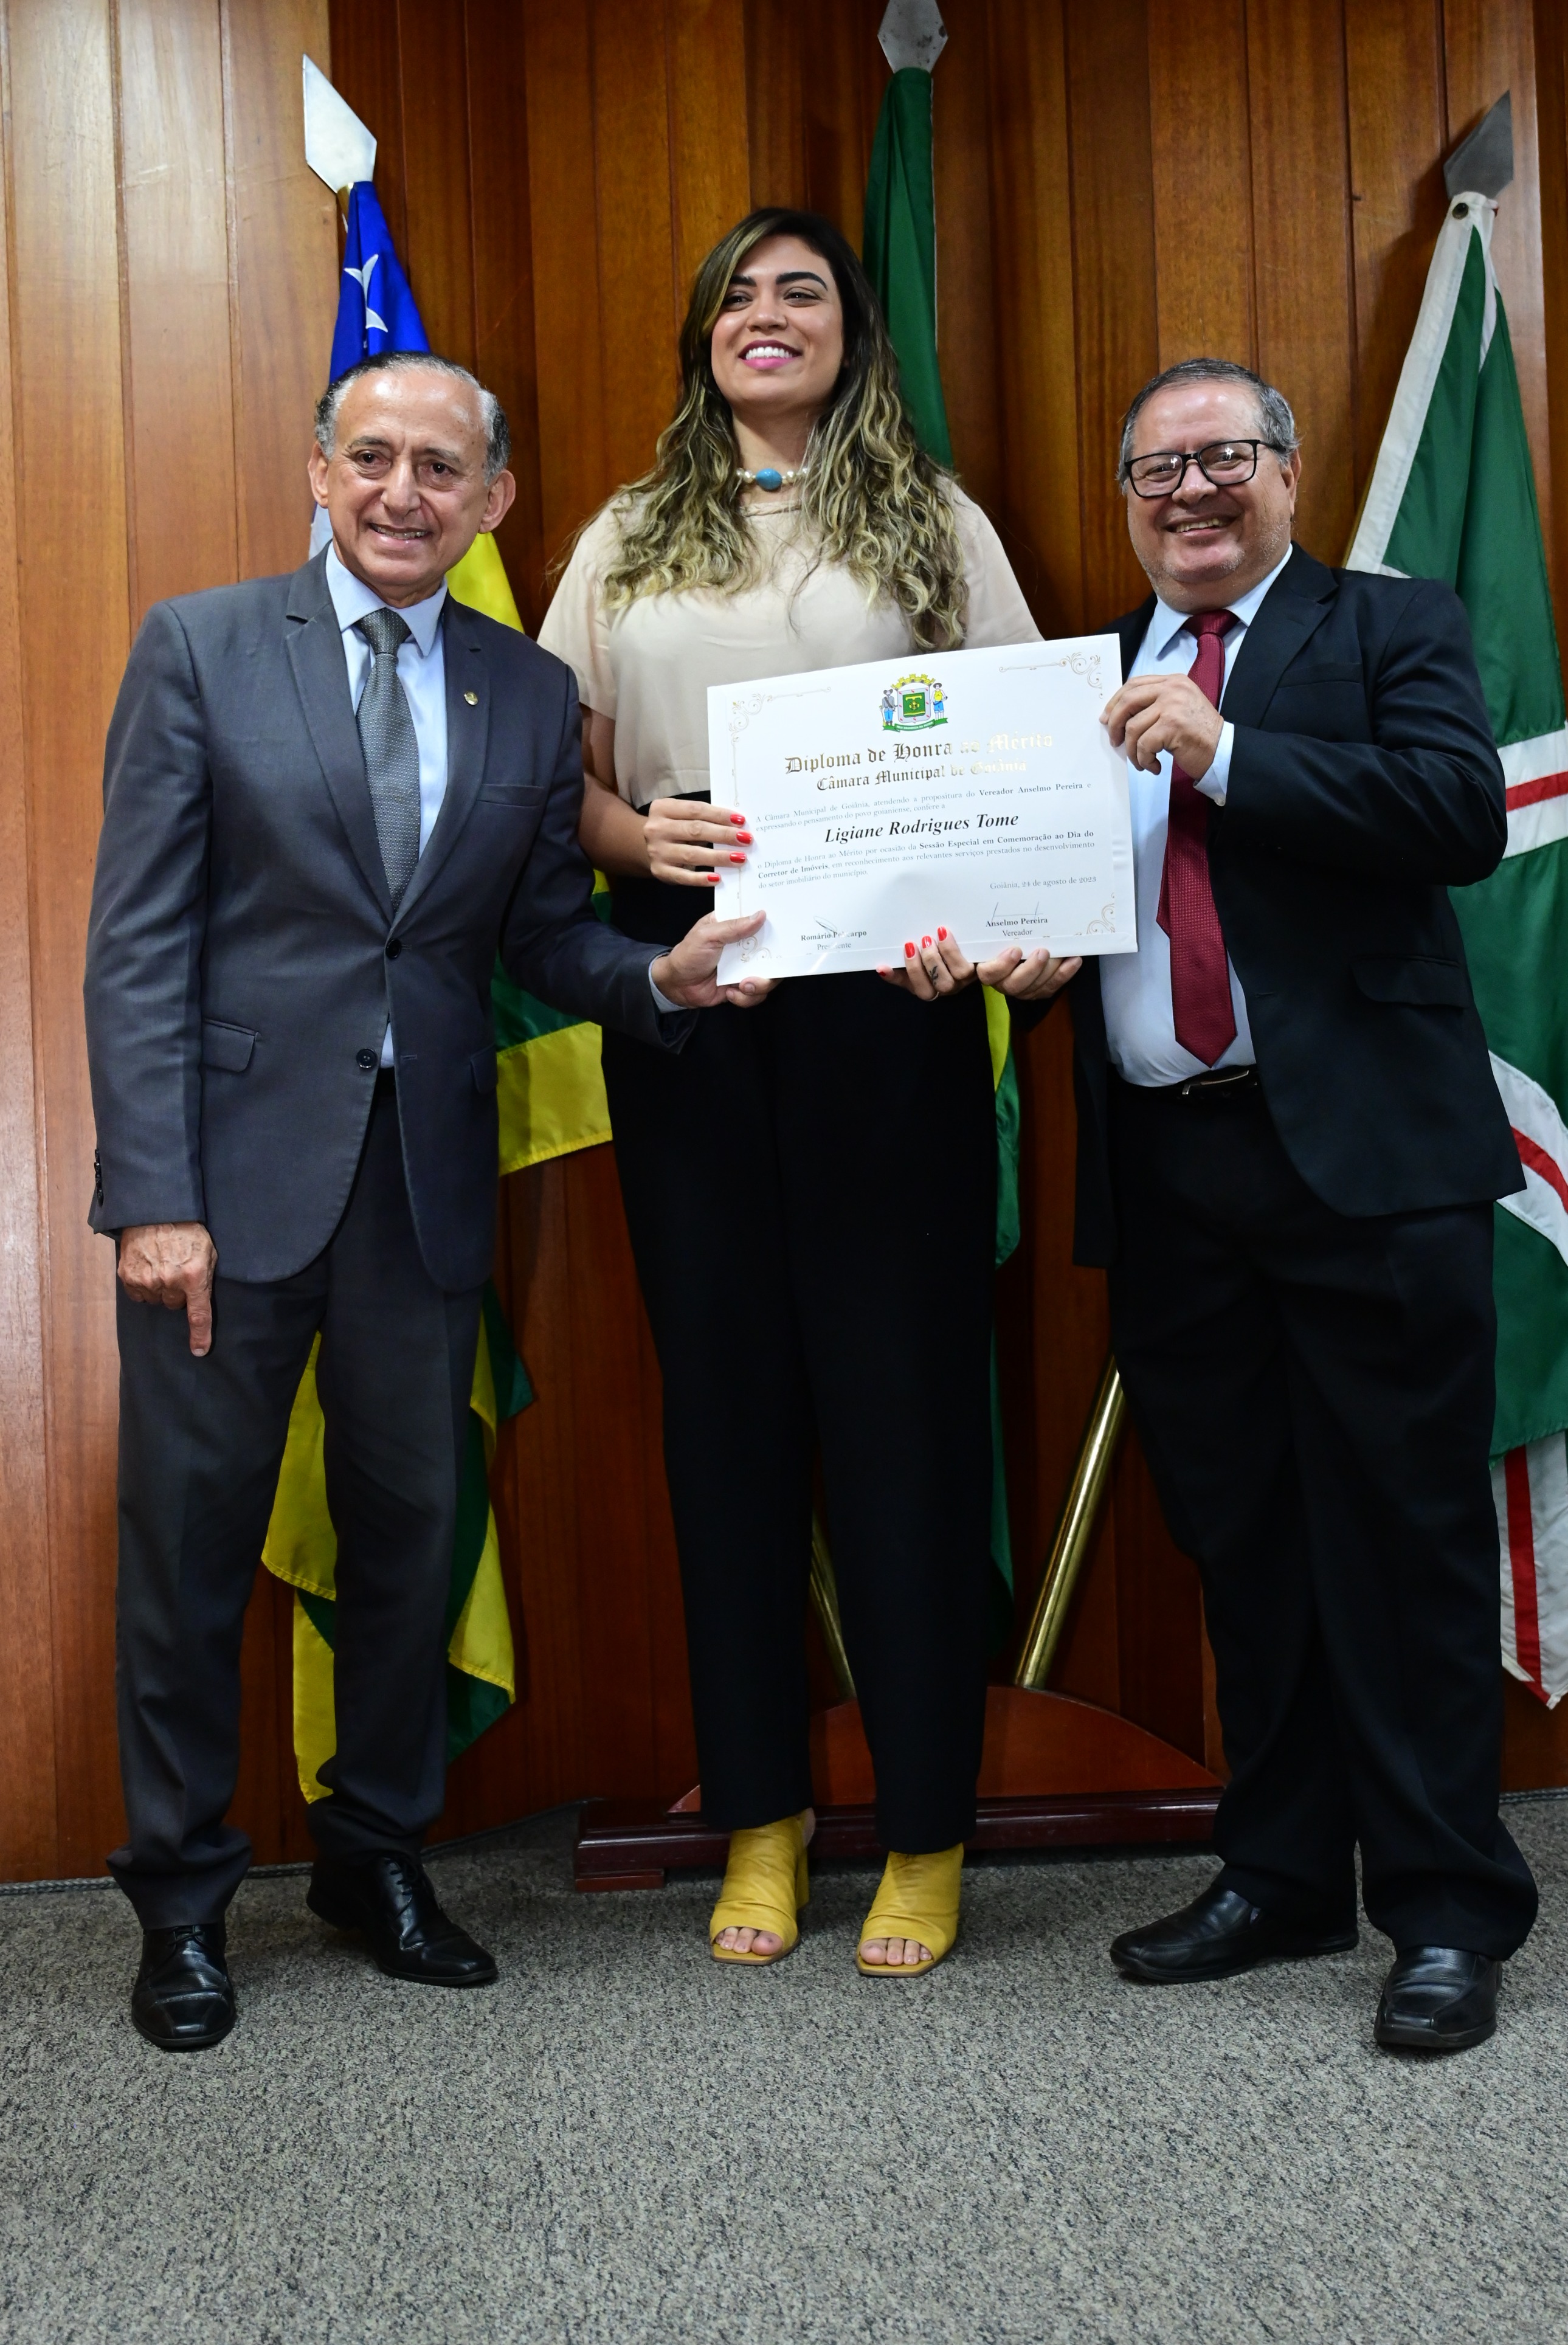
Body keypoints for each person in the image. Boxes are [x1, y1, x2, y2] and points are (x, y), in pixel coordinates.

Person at [83, 351, 754, 2051]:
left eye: (440, 468)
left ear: (493, 501)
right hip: (224, 1194)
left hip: (423, 1187)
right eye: (371, 457)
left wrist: (657, 978)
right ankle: (181, 1902)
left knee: (407, 1537)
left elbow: (535, 939)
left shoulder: (525, 691)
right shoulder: (202, 648)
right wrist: (152, 1198)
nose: (403, 491)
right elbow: (138, 941)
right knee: (189, 1554)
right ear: (320, 472)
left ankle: (371, 1853)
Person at [538, 209, 1074, 1976]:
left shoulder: (933, 517)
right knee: (728, 1418)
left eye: (803, 292)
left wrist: (993, 927)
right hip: (691, 994)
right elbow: (567, 779)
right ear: (702, 333)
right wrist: (644, 844)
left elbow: (1024, 757)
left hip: (888, 1008)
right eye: (739, 297)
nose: (767, 317)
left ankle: (926, 1829)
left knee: (904, 1416)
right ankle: (758, 1815)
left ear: (851, 333)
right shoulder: (625, 533)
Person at [1021, 354, 1536, 2051]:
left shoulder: (1388, 627)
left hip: (1368, 1166)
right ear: (1126, 499)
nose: (1189, 490)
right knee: (1239, 1539)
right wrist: (1011, 959)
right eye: (1155, 468)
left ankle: (1445, 1907)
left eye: (1222, 456)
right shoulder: (1073, 679)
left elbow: (1457, 814)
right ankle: (1283, 1871)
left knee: (1404, 1542)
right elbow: (1058, 899)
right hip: (1171, 1170)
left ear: (1287, 473)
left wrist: (1228, 751)